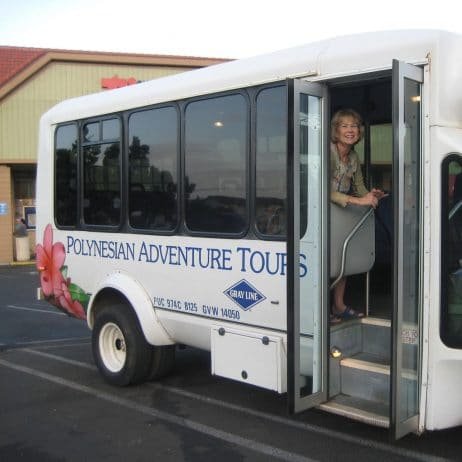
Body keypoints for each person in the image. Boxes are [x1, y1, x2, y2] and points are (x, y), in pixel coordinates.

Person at [330, 109, 385, 322]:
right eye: (344, 126)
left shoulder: (353, 156)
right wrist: (358, 200)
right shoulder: (329, 151)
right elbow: (323, 189)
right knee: (327, 260)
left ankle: (339, 305)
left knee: (342, 259)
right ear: (336, 130)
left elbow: (359, 185)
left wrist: (370, 195)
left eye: (354, 126)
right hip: (325, 210)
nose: (350, 130)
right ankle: (321, 308)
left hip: (340, 211)